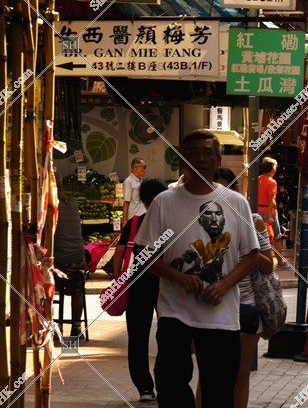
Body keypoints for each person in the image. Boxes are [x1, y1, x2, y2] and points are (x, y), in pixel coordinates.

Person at [135, 130, 259, 408]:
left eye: (207, 153)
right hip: (174, 311)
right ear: (182, 160)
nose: (200, 159)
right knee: (170, 382)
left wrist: (225, 285)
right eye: (193, 153)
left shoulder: (236, 203)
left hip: (221, 315)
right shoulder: (164, 202)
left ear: (217, 159)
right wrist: (178, 277)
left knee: (218, 389)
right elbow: (145, 255)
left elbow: (251, 255)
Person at [115, 178, 168, 404]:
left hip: (138, 283)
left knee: (138, 337)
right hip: (167, 284)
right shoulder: (171, 224)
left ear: (143, 201)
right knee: (168, 335)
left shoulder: (135, 222)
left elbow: (119, 254)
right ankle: (165, 382)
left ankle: (145, 387)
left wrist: (119, 280)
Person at [233, 213, 277, 408]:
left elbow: (269, 265)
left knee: (241, 375)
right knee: (210, 375)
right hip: (213, 307)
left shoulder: (253, 220)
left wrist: (247, 247)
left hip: (246, 307)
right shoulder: (204, 218)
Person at [53, 176, 88, 339]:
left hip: (59, 265)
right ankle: (76, 327)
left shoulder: (50, 205)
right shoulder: (72, 202)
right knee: (78, 290)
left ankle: (50, 325)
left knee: (44, 284)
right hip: (78, 262)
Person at [256, 157, 288, 268]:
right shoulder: (272, 182)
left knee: (259, 237)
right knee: (276, 238)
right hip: (269, 212)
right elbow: (270, 200)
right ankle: (280, 261)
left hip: (258, 211)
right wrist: (270, 216)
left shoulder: (257, 179)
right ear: (272, 169)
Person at [122, 158, 148, 223]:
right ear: (136, 168)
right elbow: (126, 202)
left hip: (143, 215)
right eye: (144, 167)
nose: (146, 170)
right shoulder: (128, 181)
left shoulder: (141, 181)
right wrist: (124, 220)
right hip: (134, 217)